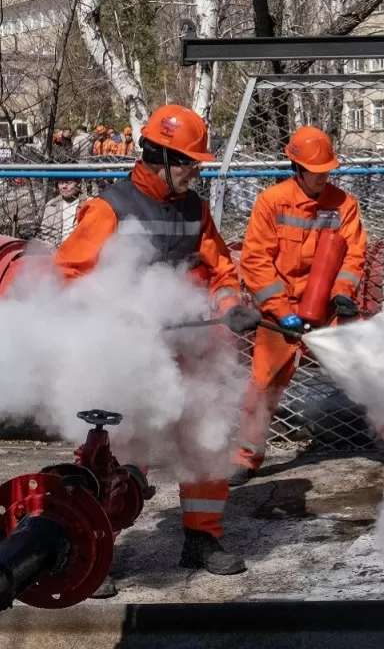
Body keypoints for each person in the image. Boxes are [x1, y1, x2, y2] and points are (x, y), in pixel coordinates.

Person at [53, 104, 261, 584]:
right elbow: (67, 276)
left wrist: (230, 304)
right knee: (116, 450)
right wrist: (113, 313)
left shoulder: (196, 210)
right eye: (189, 161)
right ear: (159, 156)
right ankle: (94, 549)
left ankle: (202, 538)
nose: (195, 170)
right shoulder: (110, 208)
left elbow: (220, 270)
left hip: (188, 346)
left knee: (207, 434)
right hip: (125, 352)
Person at [232, 126, 367, 485]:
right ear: (297, 167)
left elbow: (354, 254)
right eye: (316, 171)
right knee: (263, 385)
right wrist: (280, 309)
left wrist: (343, 293)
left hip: (328, 310)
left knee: (366, 371)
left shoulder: (344, 205)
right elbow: (256, 260)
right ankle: (245, 457)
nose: (323, 177)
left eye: (327, 170)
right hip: (282, 315)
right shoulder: (272, 202)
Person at [39, 177, 84, 246]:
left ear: (79, 183)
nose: (64, 187)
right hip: (56, 251)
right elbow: (45, 233)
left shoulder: (89, 204)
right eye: (61, 183)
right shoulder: (51, 205)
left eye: (68, 183)